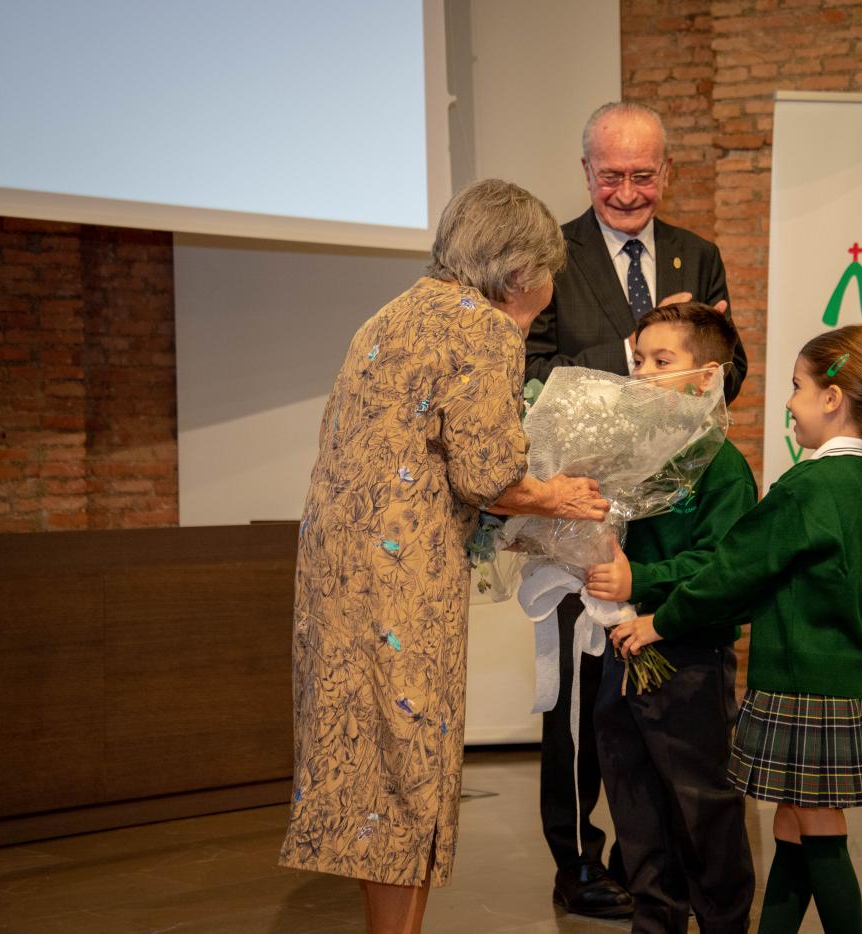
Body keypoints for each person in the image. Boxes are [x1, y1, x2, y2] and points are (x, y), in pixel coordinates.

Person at [278, 179, 611, 934]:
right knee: (410, 768)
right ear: (520, 272)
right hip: (404, 582)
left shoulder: (390, 314)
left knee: (370, 770)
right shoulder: (481, 328)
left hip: (338, 575)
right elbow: (489, 476)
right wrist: (563, 496)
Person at [611, 325, 862, 934]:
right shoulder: (853, 482)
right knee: (793, 827)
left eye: (796, 387)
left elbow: (734, 572)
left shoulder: (810, 486)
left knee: (820, 835)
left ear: (832, 398)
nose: (788, 401)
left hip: (802, 682)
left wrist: (661, 621)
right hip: (829, 679)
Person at [524, 100, 749, 920]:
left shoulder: (701, 252)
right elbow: (535, 371)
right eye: (611, 175)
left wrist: (700, 350)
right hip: (580, 515)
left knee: (653, 725)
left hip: (671, 521)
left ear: (667, 172)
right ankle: (579, 864)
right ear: (585, 171)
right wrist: (633, 352)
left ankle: (648, 863)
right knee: (582, 708)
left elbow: (731, 369)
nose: (627, 191)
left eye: (643, 174)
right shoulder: (551, 255)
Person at [583, 303, 756, 933]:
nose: (643, 374)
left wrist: (643, 580)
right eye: (637, 362)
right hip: (621, 657)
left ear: (706, 378)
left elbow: (723, 567)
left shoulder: (721, 468)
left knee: (701, 815)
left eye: (663, 362)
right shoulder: (632, 461)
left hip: (687, 663)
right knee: (638, 818)